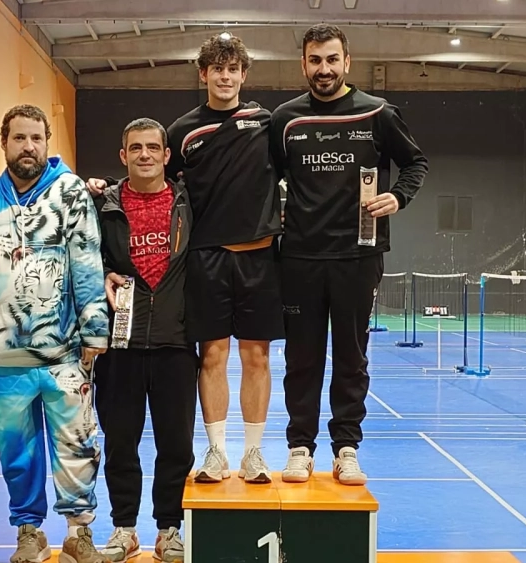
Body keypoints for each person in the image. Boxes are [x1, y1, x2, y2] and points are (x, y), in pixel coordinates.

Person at [86, 32, 283, 485]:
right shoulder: (183, 130)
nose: (225, 77)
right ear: (203, 74)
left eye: (233, 69)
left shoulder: (265, 122)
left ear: (244, 74)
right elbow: (151, 176)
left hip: (258, 257)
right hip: (206, 258)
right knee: (212, 355)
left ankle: (253, 453)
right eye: (217, 69)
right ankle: (216, 452)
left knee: (257, 357)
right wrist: (107, 186)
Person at [0, 104, 111, 563]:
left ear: (47, 142)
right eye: (19, 138)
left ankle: (79, 534)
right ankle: (29, 533)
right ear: (4, 143)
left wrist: (95, 330)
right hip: (4, 359)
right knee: (16, 453)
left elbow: (88, 262)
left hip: (66, 356)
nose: (28, 147)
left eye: (36, 138)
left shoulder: (70, 193)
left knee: (78, 445)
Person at [269, 24, 429, 485]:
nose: (324, 69)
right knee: (302, 359)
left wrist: (398, 196)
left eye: (332, 59)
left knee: (351, 357)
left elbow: (416, 162)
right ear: (303, 64)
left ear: (347, 62)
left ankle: (346, 448)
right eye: (315, 60)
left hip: (359, 256)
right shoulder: (285, 120)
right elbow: (264, 178)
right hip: (299, 258)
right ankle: (300, 447)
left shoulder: (378, 113)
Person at [93, 118, 197, 562]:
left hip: (176, 342)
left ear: (167, 155)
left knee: (176, 445)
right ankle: (125, 529)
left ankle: (169, 529)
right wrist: (103, 272)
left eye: (153, 147)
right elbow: (83, 255)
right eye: (135, 148)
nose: (145, 155)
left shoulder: (189, 203)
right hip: (121, 345)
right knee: (120, 442)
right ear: (123, 156)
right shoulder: (103, 206)